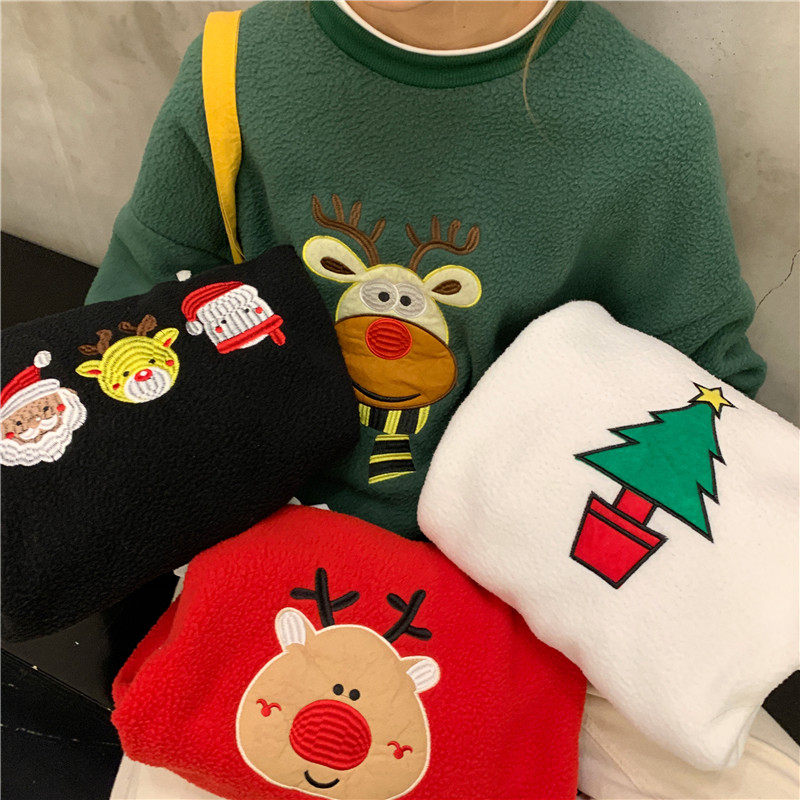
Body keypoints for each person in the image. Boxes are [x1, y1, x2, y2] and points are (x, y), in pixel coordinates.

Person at [88, 2, 796, 798]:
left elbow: (702, 392)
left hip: (531, 605)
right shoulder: (238, 68)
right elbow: (128, 338)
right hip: (276, 572)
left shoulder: (644, 121)